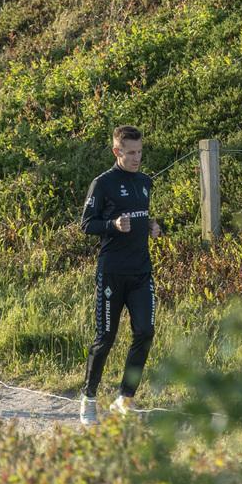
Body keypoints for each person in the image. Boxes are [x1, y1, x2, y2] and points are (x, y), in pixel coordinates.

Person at [78, 125, 161, 425]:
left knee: (145, 332)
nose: (137, 158)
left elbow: (141, 215)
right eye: (130, 153)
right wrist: (112, 224)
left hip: (141, 273)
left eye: (139, 152)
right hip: (112, 273)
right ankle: (88, 398)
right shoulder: (102, 184)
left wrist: (152, 226)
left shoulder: (145, 182)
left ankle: (125, 398)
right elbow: (86, 224)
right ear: (117, 151)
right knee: (106, 337)